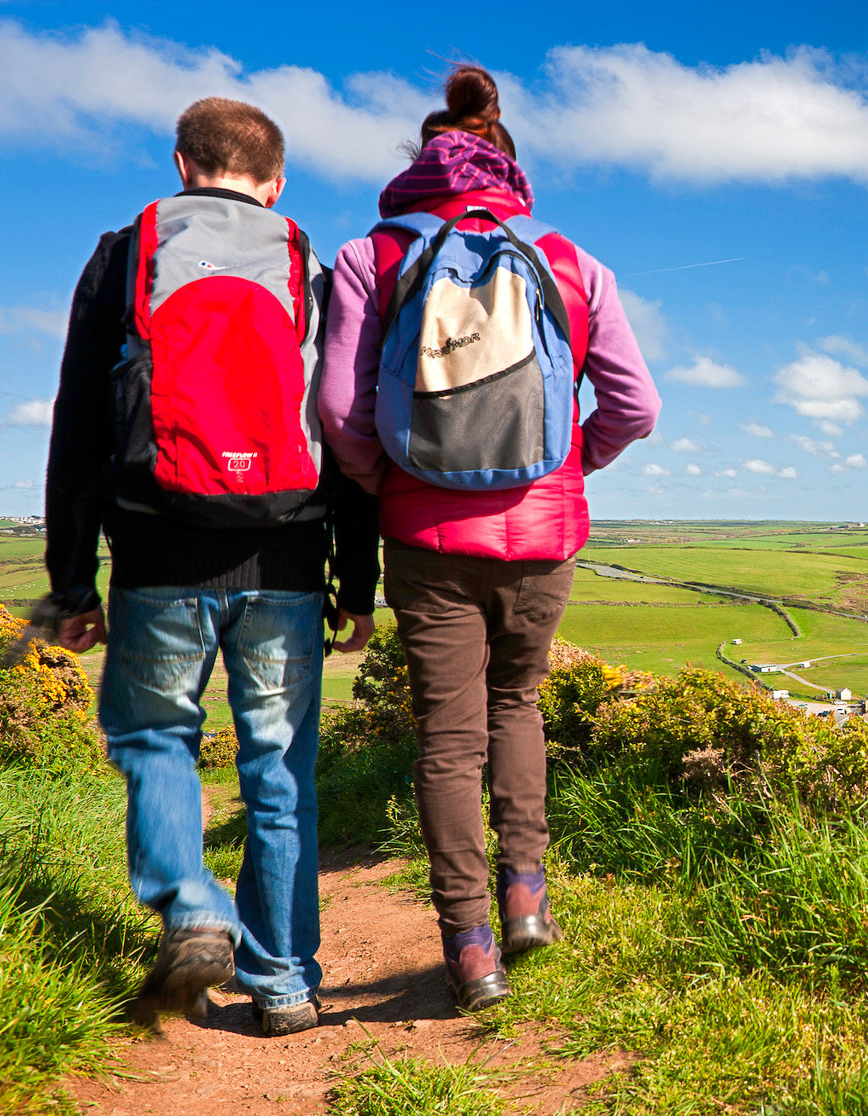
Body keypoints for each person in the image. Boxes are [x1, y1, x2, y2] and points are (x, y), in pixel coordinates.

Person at [318, 66, 659, 1011]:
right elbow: (636, 405)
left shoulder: (372, 257)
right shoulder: (569, 260)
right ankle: (527, 900)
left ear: (424, 164)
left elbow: (342, 416)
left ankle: (470, 950)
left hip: (426, 540)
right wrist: (568, 465)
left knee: (446, 739)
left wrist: (396, 482)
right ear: (509, 168)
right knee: (518, 706)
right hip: (546, 536)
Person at [45, 97, 379, 1038]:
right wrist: (358, 582)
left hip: (155, 548)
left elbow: (78, 422)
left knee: (156, 741)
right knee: (281, 768)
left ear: (184, 164)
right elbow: (345, 433)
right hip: (285, 552)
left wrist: (71, 578)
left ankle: (192, 904)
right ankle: (281, 982)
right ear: (275, 184)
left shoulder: (127, 254)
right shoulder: (310, 264)